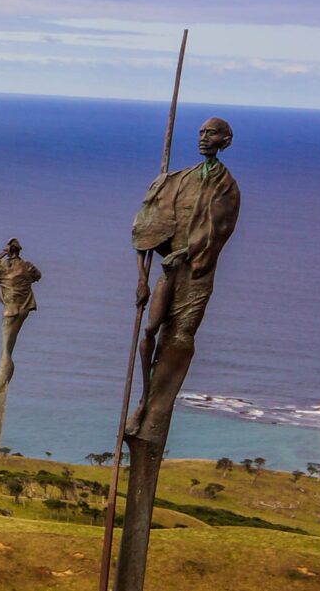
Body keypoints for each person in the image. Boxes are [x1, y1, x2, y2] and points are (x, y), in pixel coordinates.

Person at [126, 117, 241, 439]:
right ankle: (144, 397)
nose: (204, 138)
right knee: (149, 330)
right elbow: (145, 231)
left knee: (179, 337)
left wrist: (187, 253)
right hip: (169, 270)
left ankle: (155, 406)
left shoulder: (227, 187)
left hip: (197, 273)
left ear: (225, 141)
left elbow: (218, 231)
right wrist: (141, 279)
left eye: (212, 133)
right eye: (201, 133)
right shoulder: (177, 180)